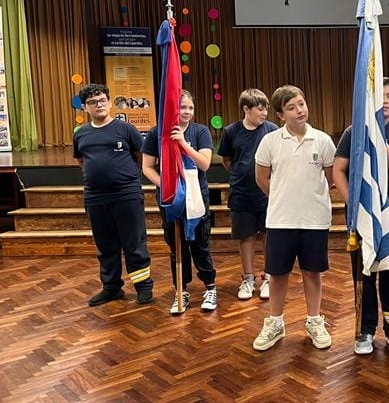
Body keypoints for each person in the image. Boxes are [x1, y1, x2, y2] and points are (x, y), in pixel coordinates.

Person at [332, 78, 389, 355]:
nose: (385, 101)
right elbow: (338, 170)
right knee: (363, 273)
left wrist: (376, 133)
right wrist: (354, 204)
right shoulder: (352, 131)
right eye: (379, 96)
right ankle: (365, 329)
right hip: (361, 217)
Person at [251, 85, 336, 351]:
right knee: (277, 275)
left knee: (313, 273)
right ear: (280, 114)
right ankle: (275, 323)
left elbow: (331, 179)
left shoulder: (322, 140)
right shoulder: (270, 141)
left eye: (301, 104)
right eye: (291, 107)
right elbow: (261, 178)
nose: (300, 110)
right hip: (280, 220)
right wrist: (282, 197)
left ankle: (314, 321)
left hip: (315, 220)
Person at [73, 84, 154, 307]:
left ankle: (143, 287)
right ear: (85, 108)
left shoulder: (126, 129)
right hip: (95, 197)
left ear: (109, 103)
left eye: (102, 100)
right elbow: (81, 160)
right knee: (105, 245)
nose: (98, 105)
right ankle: (111, 288)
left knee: (134, 243)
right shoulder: (81, 134)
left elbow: (142, 157)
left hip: (126, 195)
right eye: (92, 102)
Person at [142, 90, 218, 313]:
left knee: (200, 245)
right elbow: (147, 167)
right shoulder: (156, 133)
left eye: (190, 108)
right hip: (171, 200)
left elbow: (204, 164)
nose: (187, 112)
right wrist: (167, 187)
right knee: (177, 246)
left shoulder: (200, 131)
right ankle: (181, 291)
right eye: (182, 107)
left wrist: (183, 143)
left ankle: (210, 287)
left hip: (196, 198)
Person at [217, 89, 279, 300]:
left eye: (266, 109)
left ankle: (269, 277)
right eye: (260, 109)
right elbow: (226, 160)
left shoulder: (272, 130)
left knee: (269, 236)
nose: (264, 113)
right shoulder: (231, 131)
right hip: (241, 194)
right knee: (246, 237)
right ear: (246, 109)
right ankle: (248, 279)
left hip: (267, 194)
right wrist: (240, 173)